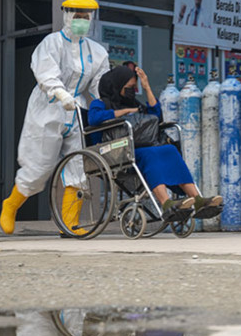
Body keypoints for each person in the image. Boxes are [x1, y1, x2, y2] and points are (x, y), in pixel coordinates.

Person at [0, 0, 110, 236]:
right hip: (48, 108)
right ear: (67, 16)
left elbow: (101, 85)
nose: (82, 21)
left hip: (77, 110)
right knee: (39, 167)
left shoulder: (97, 52)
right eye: (77, 16)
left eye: (86, 17)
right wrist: (60, 94)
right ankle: (11, 205)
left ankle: (70, 224)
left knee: (78, 165)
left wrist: (109, 103)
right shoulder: (51, 43)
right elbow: (46, 73)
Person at [88, 65, 222, 221]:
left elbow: (157, 116)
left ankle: (197, 199)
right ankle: (166, 203)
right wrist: (123, 112)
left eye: (134, 87)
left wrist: (147, 88)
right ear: (116, 85)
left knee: (169, 150)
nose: (132, 90)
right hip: (114, 151)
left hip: (138, 148)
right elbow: (94, 119)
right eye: (128, 87)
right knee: (151, 154)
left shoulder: (133, 102)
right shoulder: (100, 103)